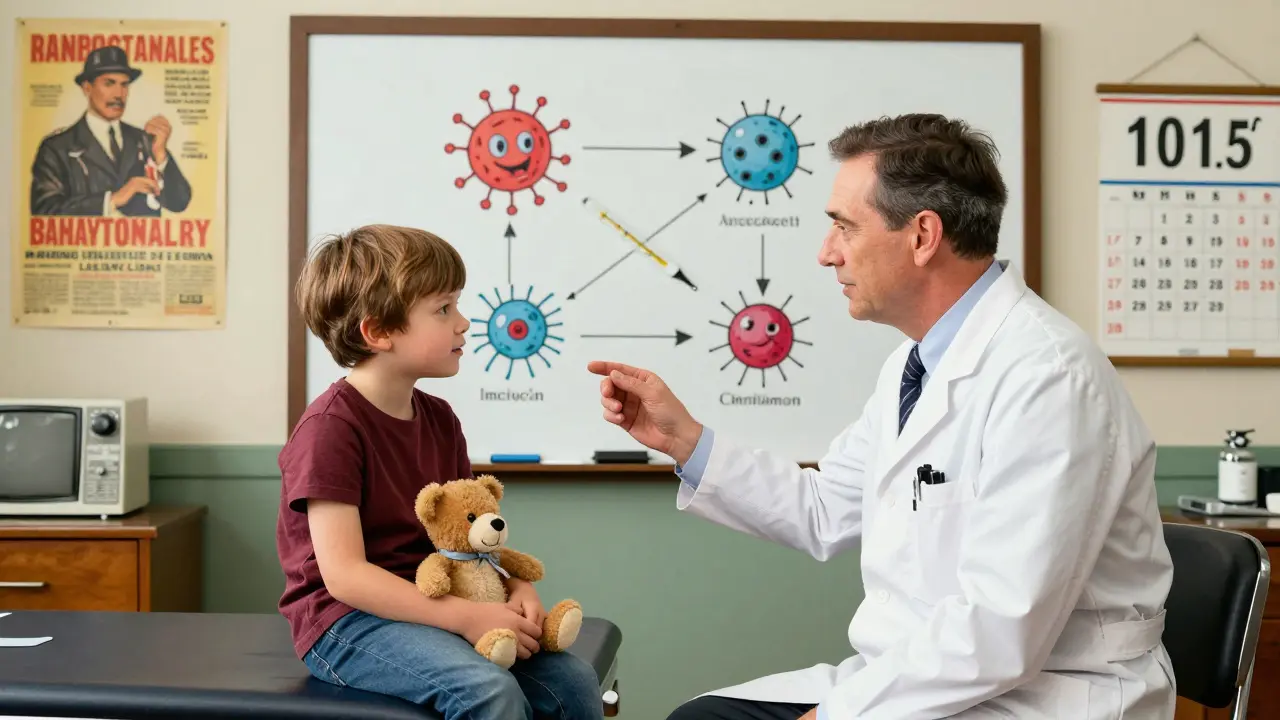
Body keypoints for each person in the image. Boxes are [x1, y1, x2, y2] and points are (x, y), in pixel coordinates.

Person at [588, 114, 1175, 719]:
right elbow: (823, 510)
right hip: (926, 681)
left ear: (922, 236)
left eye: (844, 227)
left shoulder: (1049, 378)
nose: (826, 254)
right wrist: (683, 440)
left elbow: (1003, 631)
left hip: (1042, 696)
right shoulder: (913, 365)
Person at [277, 224, 602, 720]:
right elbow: (345, 578)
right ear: (378, 332)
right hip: (346, 624)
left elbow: (465, 540)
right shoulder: (329, 430)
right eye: (443, 309)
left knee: (572, 683)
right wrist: (468, 617)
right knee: (487, 691)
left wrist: (514, 588)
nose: (464, 323)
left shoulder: (440, 420)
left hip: (439, 599)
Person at [29, 45, 191, 217]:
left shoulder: (143, 139)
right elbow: (44, 210)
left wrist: (160, 155)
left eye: (124, 85)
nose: (118, 94)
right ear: (87, 88)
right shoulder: (57, 148)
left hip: (140, 244)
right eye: (109, 83)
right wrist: (112, 200)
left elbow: (179, 203)